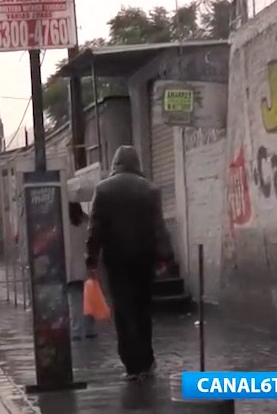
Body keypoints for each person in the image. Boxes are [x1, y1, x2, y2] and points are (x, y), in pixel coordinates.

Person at [85, 145, 170, 381]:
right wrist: (165, 257)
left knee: (122, 311)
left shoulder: (103, 190)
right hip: (144, 259)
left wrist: (91, 260)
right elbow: (159, 227)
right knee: (143, 309)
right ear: (136, 163)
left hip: (116, 260)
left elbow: (95, 229)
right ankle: (146, 360)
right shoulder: (150, 190)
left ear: (115, 163)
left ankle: (131, 364)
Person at [66, 202, 96, 340]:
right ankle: (90, 329)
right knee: (89, 299)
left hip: (70, 269)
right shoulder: (85, 225)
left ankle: (76, 330)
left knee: (75, 302)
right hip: (84, 267)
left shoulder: (65, 227)